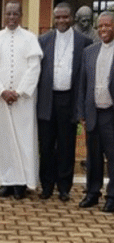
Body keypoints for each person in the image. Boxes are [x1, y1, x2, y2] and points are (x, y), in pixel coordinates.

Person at [0, 0, 42, 199]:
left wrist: (19, 91)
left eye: (15, 14)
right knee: (3, 141)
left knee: (23, 141)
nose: (12, 18)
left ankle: (22, 183)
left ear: (21, 15)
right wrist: (1, 91)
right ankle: (6, 181)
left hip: (22, 101)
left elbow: (34, 67)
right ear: (4, 15)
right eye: (8, 14)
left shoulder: (30, 38)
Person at [36, 3, 92, 202]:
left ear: (72, 18)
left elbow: (85, 77)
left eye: (65, 17)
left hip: (69, 99)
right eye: (58, 17)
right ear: (53, 19)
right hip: (47, 99)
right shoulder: (43, 40)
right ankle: (47, 185)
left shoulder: (83, 42)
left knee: (67, 146)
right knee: (47, 145)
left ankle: (64, 187)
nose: (61, 21)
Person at [77, 11, 114, 212]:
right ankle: (92, 194)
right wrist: (81, 111)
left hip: (110, 113)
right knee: (93, 158)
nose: (103, 30)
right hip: (92, 113)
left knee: (113, 157)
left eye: (107, 25)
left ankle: (112, 197)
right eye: (100, 26)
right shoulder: (89, 52)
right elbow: (83, 84)